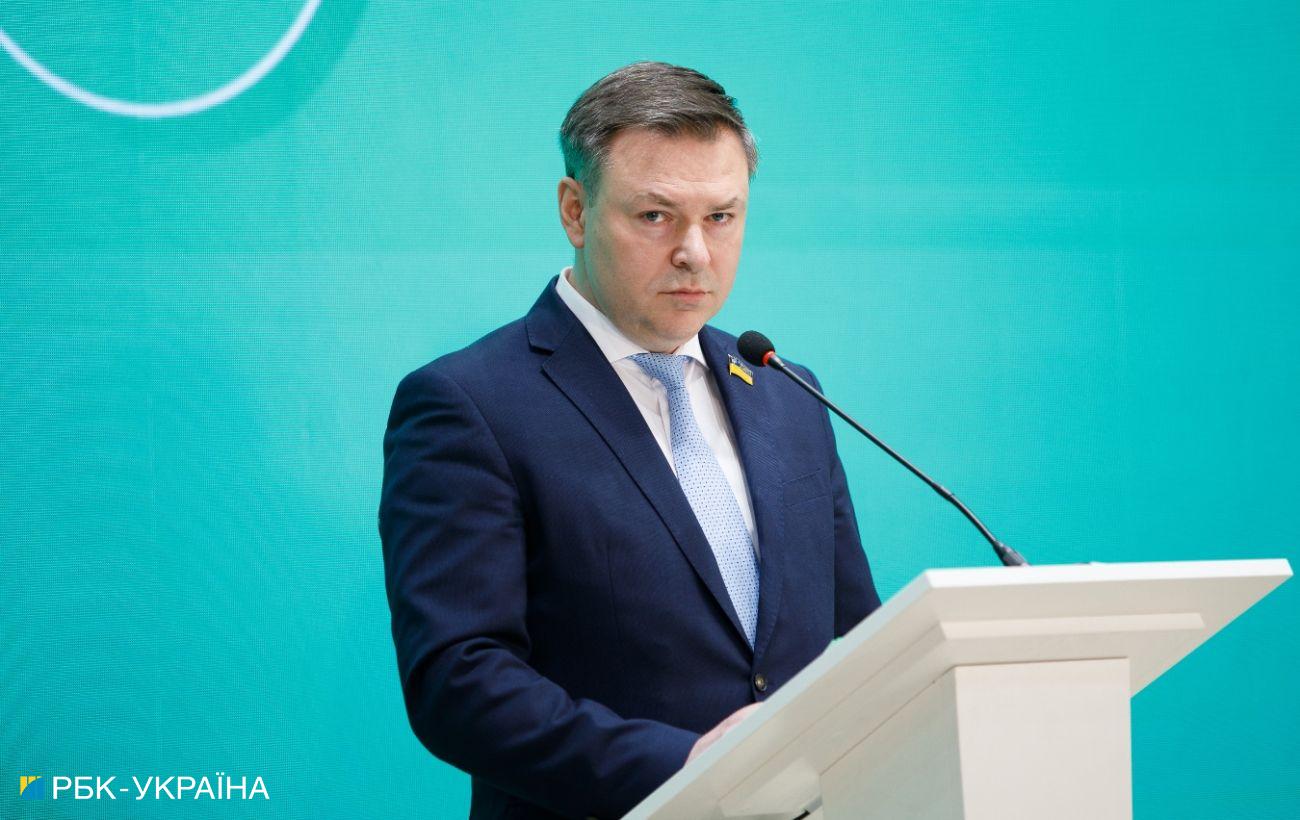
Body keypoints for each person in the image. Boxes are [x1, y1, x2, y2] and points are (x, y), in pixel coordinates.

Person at [379, 61, 881, 820]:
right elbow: (458, 680)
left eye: (722, 216)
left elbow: (859, 638)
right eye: (655, 216)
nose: (695, 252)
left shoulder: (786, 392)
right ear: (575, 211)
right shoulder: (468, 404)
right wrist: (685, 768)